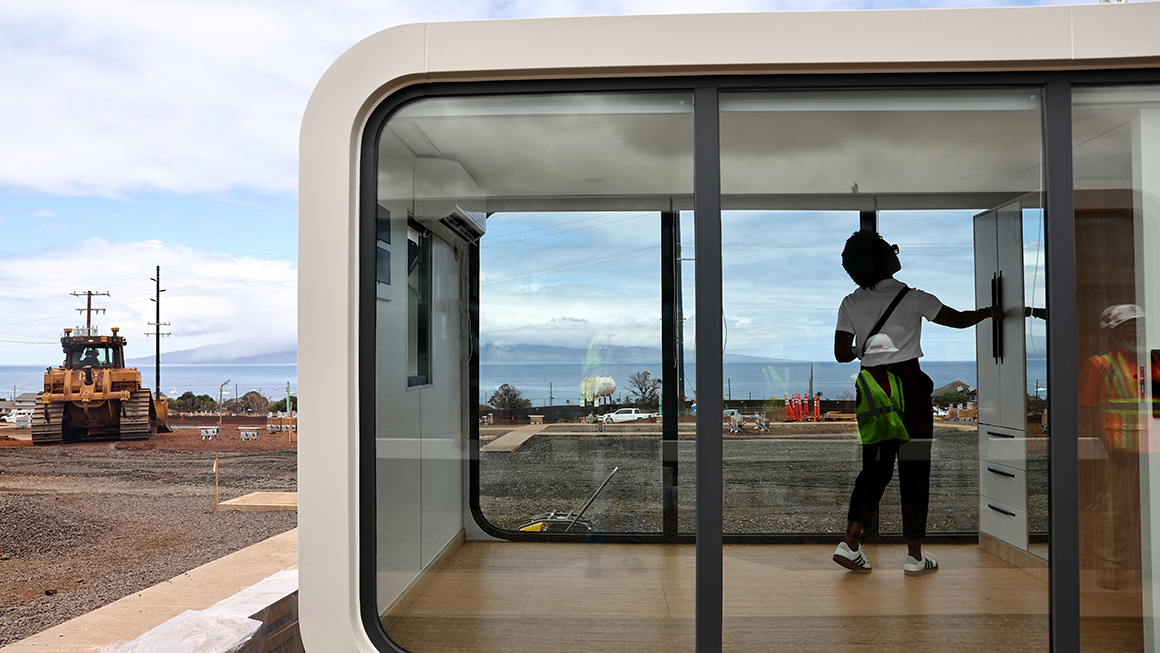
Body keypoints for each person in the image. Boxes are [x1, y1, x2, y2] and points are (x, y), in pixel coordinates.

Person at [831, 229, 998, 575]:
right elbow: (960, 320)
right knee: (914, 468)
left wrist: (865, 349)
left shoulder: (850, 302)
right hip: (910, 390)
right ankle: (914, 555)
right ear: (882, 260)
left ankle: (849, 543)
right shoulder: (913, 298)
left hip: (874, 390)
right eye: (888, 249)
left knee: (874, 468)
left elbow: (840, 355)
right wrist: (989, 312)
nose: (895, 251)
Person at [1079, 304, 1150, 589]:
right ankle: (1113, 567)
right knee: (1119, 512)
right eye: (1127, 329)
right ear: (1112, 334)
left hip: (1153, 452)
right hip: (1119, 452)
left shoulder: (1155, 363)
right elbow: (1087, 414)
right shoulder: (1101, 366)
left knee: (1149, 512)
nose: (1134, 333)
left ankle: (1149, 565)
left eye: (1139, 328)